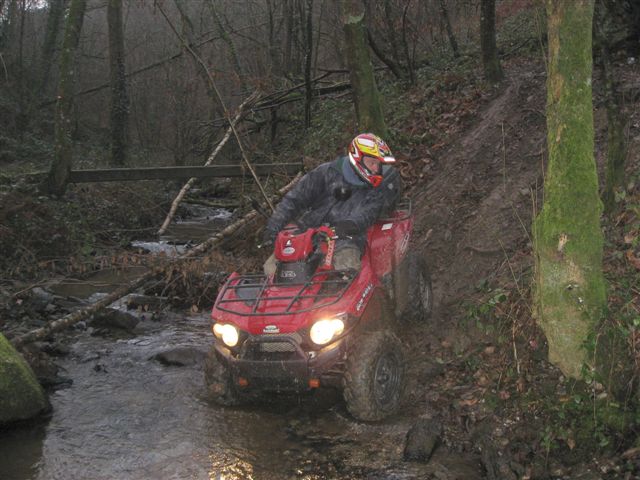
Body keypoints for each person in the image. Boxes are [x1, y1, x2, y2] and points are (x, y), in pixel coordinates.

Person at [263, 133, 402, 275]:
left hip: (346, 238)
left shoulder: (378, 187)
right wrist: (274, 226)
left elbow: (369, 212)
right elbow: (294, 199)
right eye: (372, 162)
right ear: (357, 158)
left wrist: (349, 225)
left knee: (347, 266)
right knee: (271, 269)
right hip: (308, 234)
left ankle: (357, 295)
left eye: (378, 164)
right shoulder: (326, 172)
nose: (375, 168)